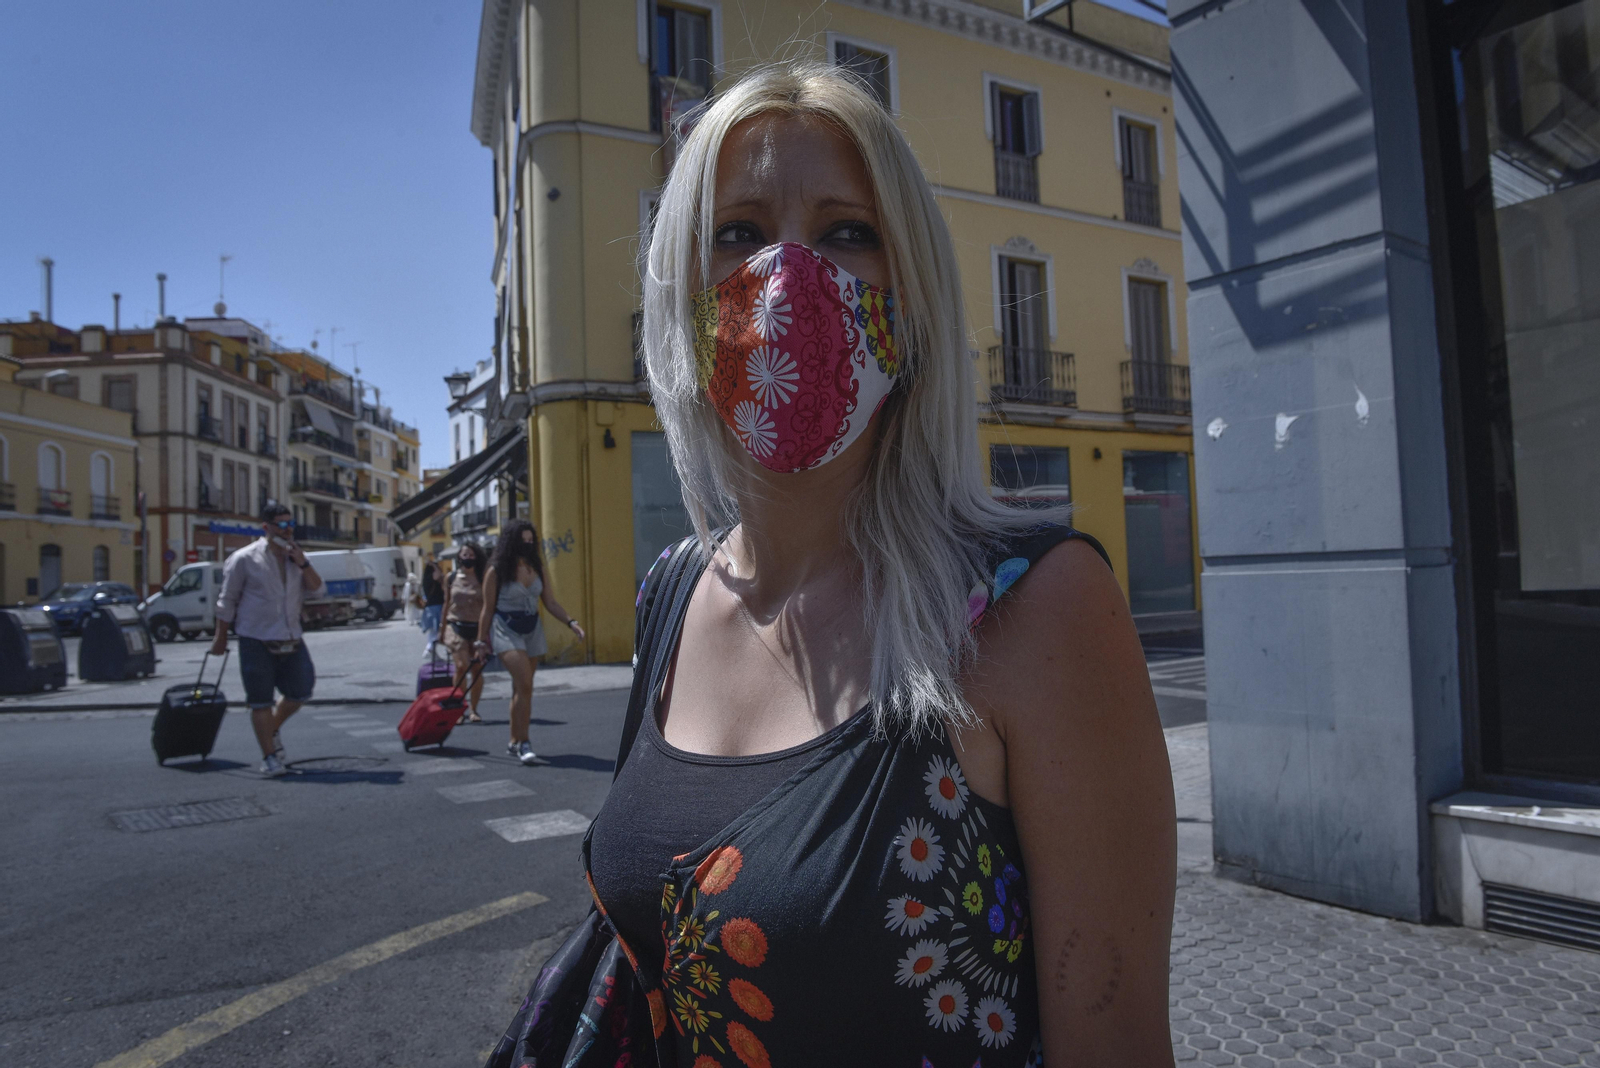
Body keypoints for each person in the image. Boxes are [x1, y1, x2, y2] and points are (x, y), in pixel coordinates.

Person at [489, 63, 1175, 1066]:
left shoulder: (1037, 608)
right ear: (681, 292)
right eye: (738, 232)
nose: (789, 275)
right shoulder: (670, 593)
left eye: (848, 231)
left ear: (913, 289)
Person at [212, 501, 324, 778]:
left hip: (291, 636)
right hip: (256, 638)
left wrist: (303, 562)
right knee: (260, 700)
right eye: (281, 525)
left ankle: (271, 729)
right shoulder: (244, 559)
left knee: (301, 691)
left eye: (291, 524)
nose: (287, 530)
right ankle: (269, 756)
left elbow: (318, 591)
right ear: (266, 527)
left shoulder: (298, 558)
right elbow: (227, 601)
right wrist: (220, 638)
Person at [474, 520, 585, 766]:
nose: (527, 544)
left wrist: (571, 622)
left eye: (530, 540)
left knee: (521, 688)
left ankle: (514, 741)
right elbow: (487, 608)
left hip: (532, 628)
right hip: (506, 629)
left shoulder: (537, 566)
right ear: (510, 542)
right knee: (524, 683)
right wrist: (481, 641)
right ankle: (525, 743)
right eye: (522, 541)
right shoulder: (496, 570)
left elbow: (551, 602)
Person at [439, 539, 486, 723]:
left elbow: (489, 605)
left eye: (472, 555)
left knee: (476, 670)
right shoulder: (450, 578)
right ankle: (459, 708)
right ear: (459, 556)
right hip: (455, 625)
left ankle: (474, 709)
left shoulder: (483, 578)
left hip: (477, 628)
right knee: (461, 666)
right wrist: (441, 630)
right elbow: (446, 604)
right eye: (465, 554)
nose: (468, 558)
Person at [419, 553, 445, 649]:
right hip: (435, 606)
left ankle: (431, 650)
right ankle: (429, 649)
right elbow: (438, 575)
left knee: (433, 632)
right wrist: (434, 565)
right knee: (435, 631)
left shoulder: (427, 579)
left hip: (432, 606)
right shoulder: (430, 578)